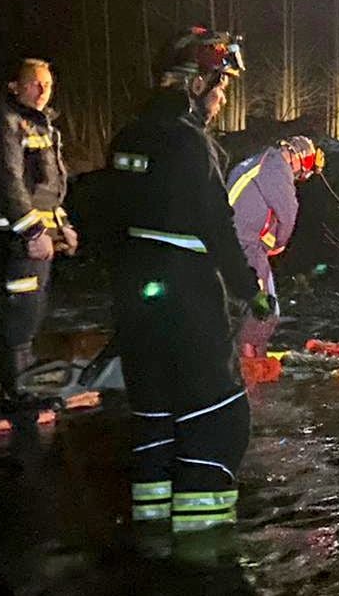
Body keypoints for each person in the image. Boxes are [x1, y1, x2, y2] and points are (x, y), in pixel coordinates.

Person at [105, 27, 271, 534]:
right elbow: (217, 228)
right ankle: (205, 561)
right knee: (217, 425)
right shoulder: (191, 143)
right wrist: (253, 292)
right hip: (187, 303)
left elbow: (104, 220)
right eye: (219, 88)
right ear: (195, 84)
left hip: (134, 303)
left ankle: (153, 549)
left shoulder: (127, 138)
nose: (221, 100)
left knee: (154, 426)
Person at [0, 58, 76, 411]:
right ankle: (16, 394)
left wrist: (61, 225)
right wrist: (34, 231)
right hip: (16, 238)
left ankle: (25, 386)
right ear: (14, 87)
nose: (42, 90)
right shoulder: (7, 122)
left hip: (36, 237)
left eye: (47, 84)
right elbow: (9, 182)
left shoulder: (44, 126)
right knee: (20, 313)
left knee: (32, 311)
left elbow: (47, 188)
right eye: (34, 83)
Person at [226, 135, 324, 357]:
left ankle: (245, 354)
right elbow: (288, 213)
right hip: (246, 245)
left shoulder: (259, 162)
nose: (304, 174)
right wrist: (279, 243)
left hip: (233, 242)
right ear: (296, 155)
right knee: (264, 309)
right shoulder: (277, 168)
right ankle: (251, 364)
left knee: (248, 305)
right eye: (307, 163)